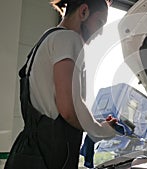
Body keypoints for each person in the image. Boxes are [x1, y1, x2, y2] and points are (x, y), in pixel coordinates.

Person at [5, 0, 117, 168]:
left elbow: (55, 108)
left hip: (28, 153)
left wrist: (94, 123)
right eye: (99, 23)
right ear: (83, 12)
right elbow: (68, 110)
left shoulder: (48, 39)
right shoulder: (69, 38)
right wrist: (101, 130)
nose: (99, 33)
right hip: (49, 158)